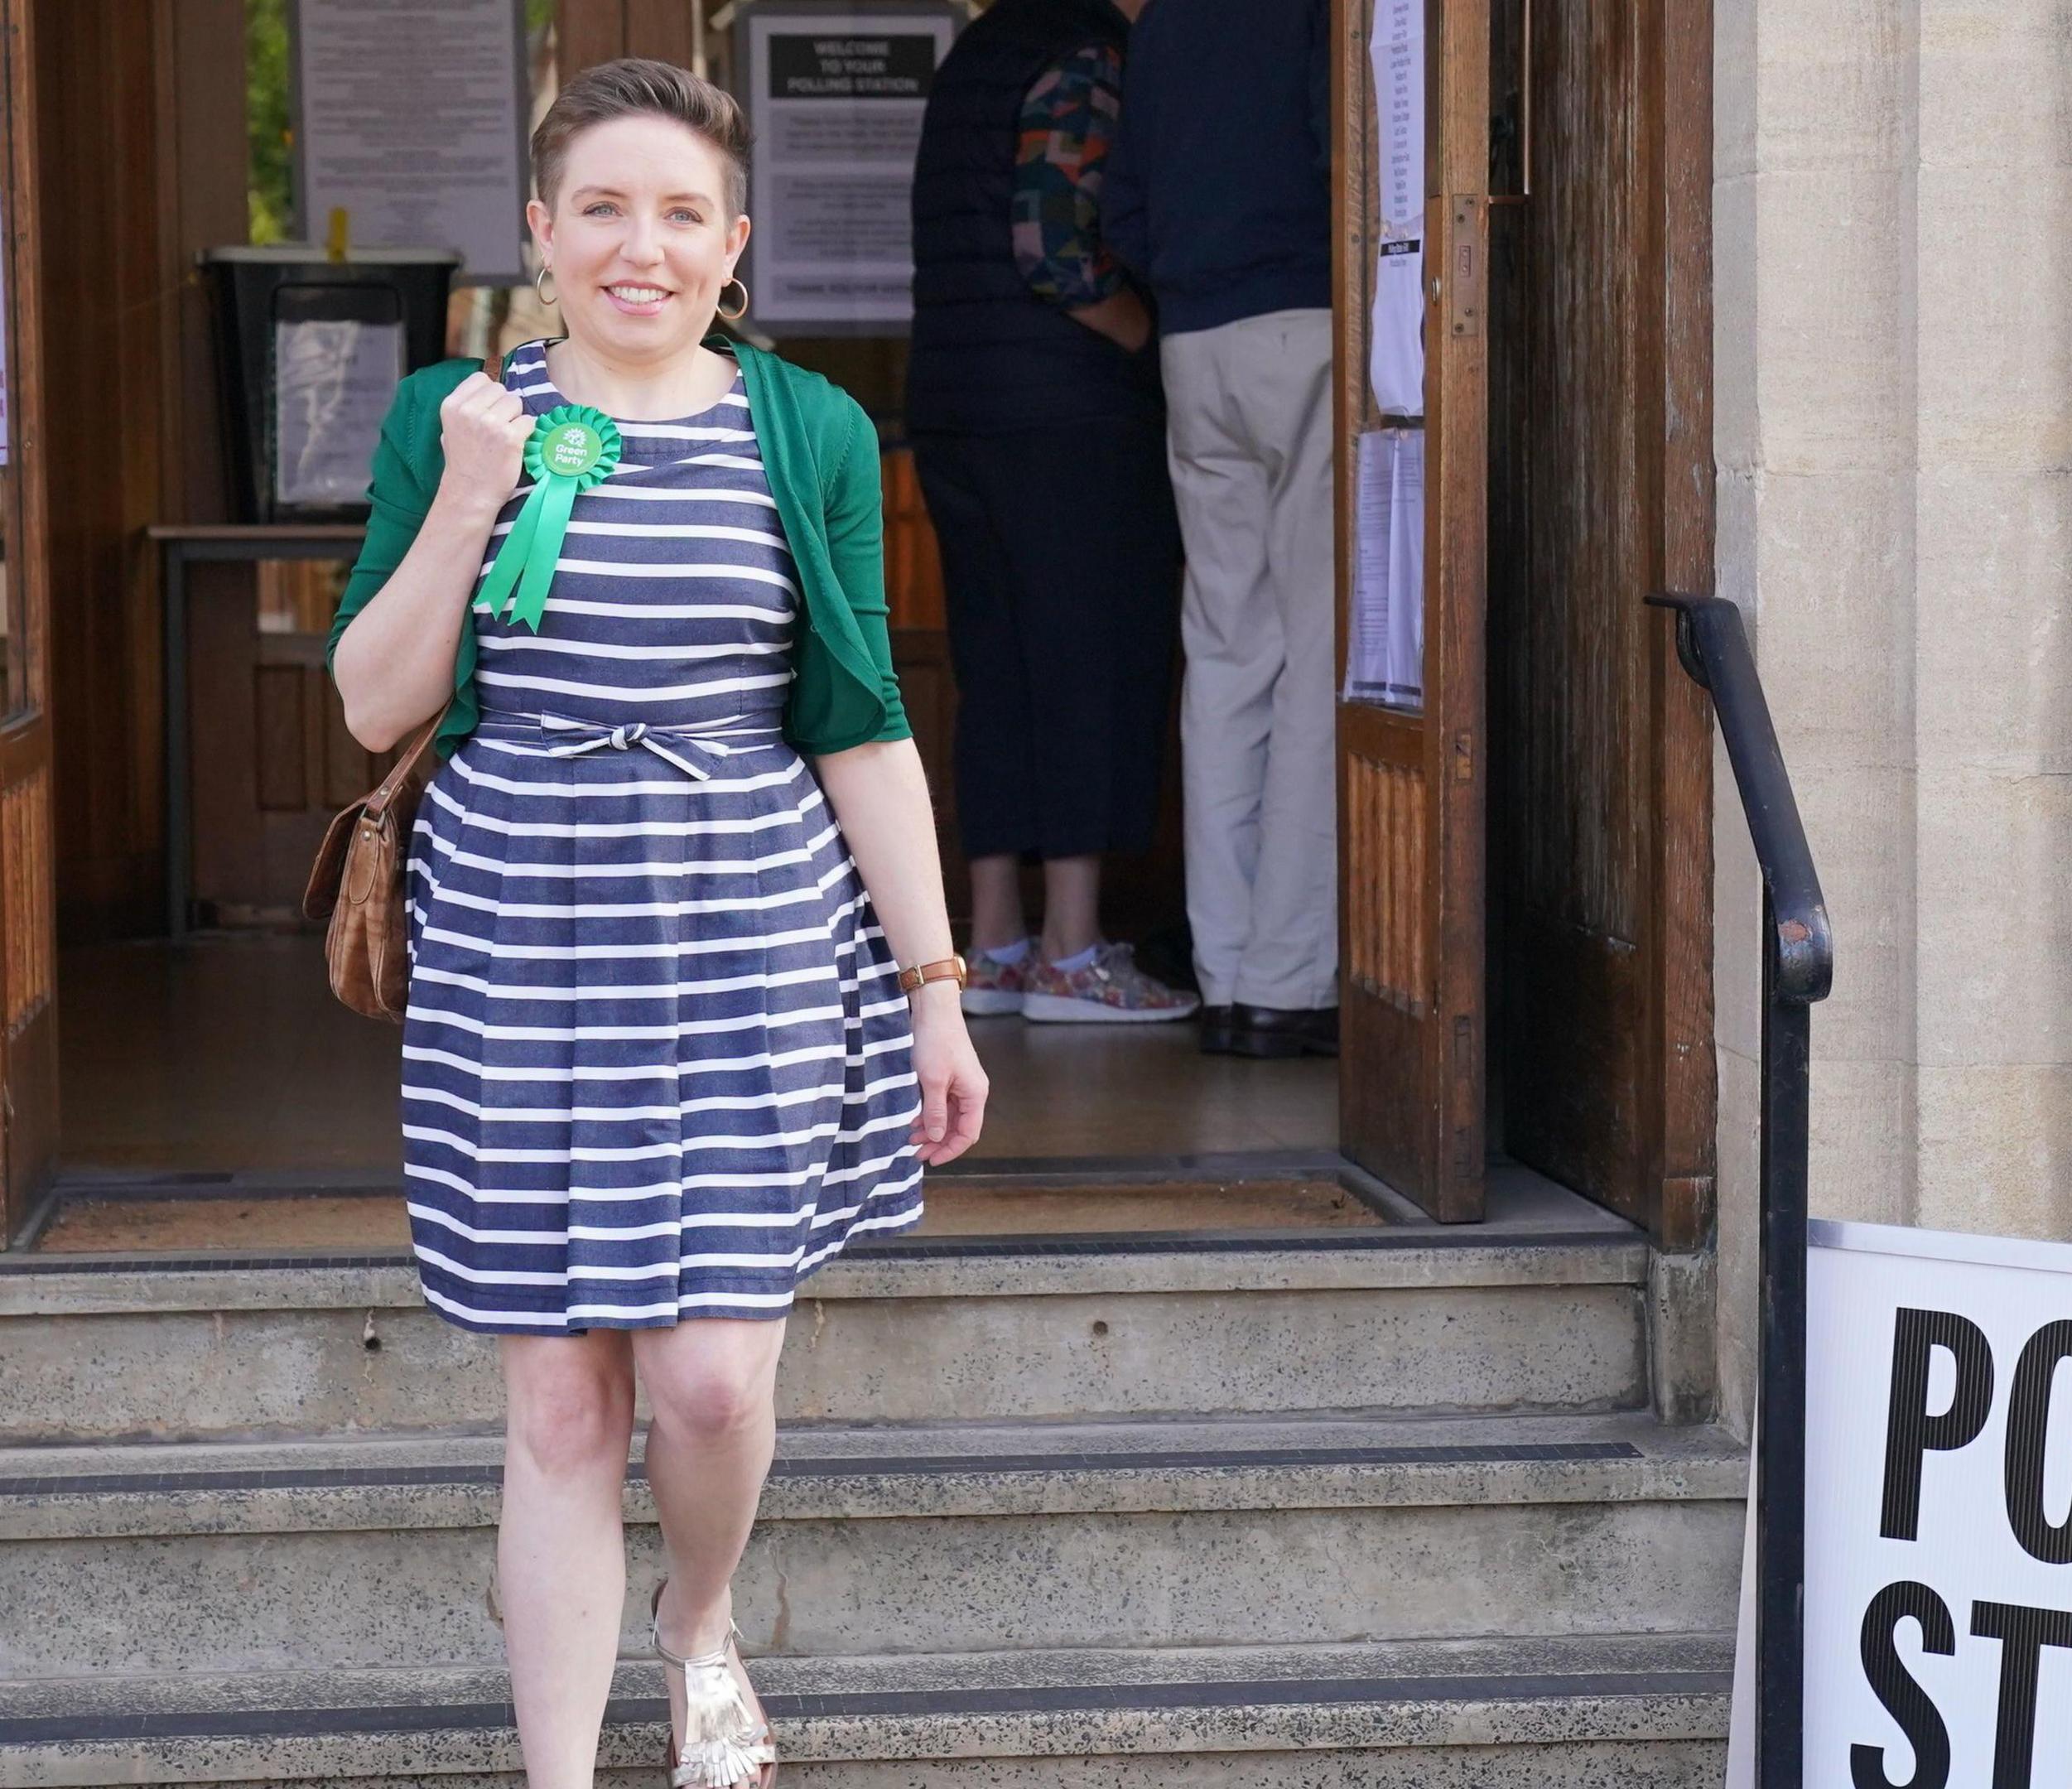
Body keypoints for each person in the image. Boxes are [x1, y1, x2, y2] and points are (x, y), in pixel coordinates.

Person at [326, 60, 987, 1789]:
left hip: (747, 945)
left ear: (734, 242)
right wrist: (475, 491)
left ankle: (698, 1622)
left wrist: (934, 989)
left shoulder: (810, 429)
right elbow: (370, 703)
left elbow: (857, 718)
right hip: (519, 946)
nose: (643, 246)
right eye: (602, 209)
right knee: (558, 1403)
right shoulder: (445, 420)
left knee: (704, 1384)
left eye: (682, 213)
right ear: (541, 232)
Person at [909, 0, 1199, 1025]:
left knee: (996, 667)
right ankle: (1074, 953)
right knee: (1085, 661)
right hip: (1064, 412)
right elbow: (1059, 252)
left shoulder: (979, 49)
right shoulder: (1086, 51)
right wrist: (1153, 345)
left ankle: (992, 945)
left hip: (952, 403)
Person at [1104, 0, 1341, 1059]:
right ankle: (1289, 982)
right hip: (1309, 318)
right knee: (1318, 648)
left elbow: (1123, 214)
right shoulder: (1315, 12)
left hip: (1194, 342)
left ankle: (1227, 968)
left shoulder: (1164, 25)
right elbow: (1354, 157)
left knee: (1228, 651)